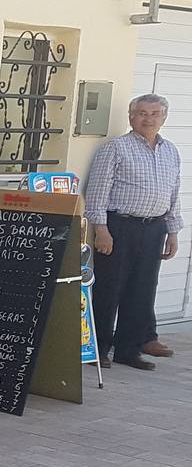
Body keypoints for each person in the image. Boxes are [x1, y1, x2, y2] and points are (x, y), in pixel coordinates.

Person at [85, 93, 181, 371]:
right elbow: (97, 192)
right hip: (120, 227)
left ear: (163, 118)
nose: (148, 119)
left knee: (142, 290)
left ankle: (128, 350)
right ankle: (98, 349)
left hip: (154, 228)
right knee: (109, 289)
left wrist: (172, 232)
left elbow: (173, 194)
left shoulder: (170, 151)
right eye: (142, 113)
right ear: (131, 117)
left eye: (154, 114)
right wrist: (101, 229)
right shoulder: (115, 148)